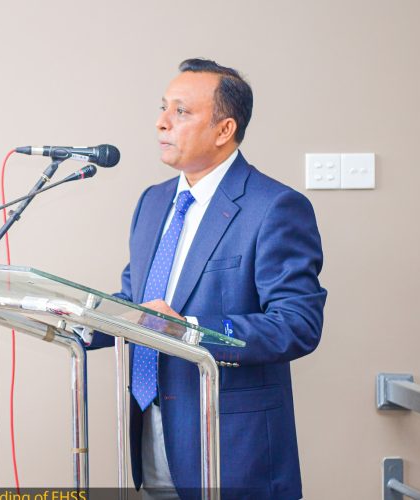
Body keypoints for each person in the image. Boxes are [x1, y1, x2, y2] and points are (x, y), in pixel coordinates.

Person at [87, 59, 327, 499]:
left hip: (232, 448)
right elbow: (138, 303)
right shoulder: (152, 202)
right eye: (163, 108)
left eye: (181, 112)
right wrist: (78, 320)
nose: (162, 122)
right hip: (150, 433)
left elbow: (297, 324)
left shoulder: (274, 207)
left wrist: (190, 331)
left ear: (224, 130)